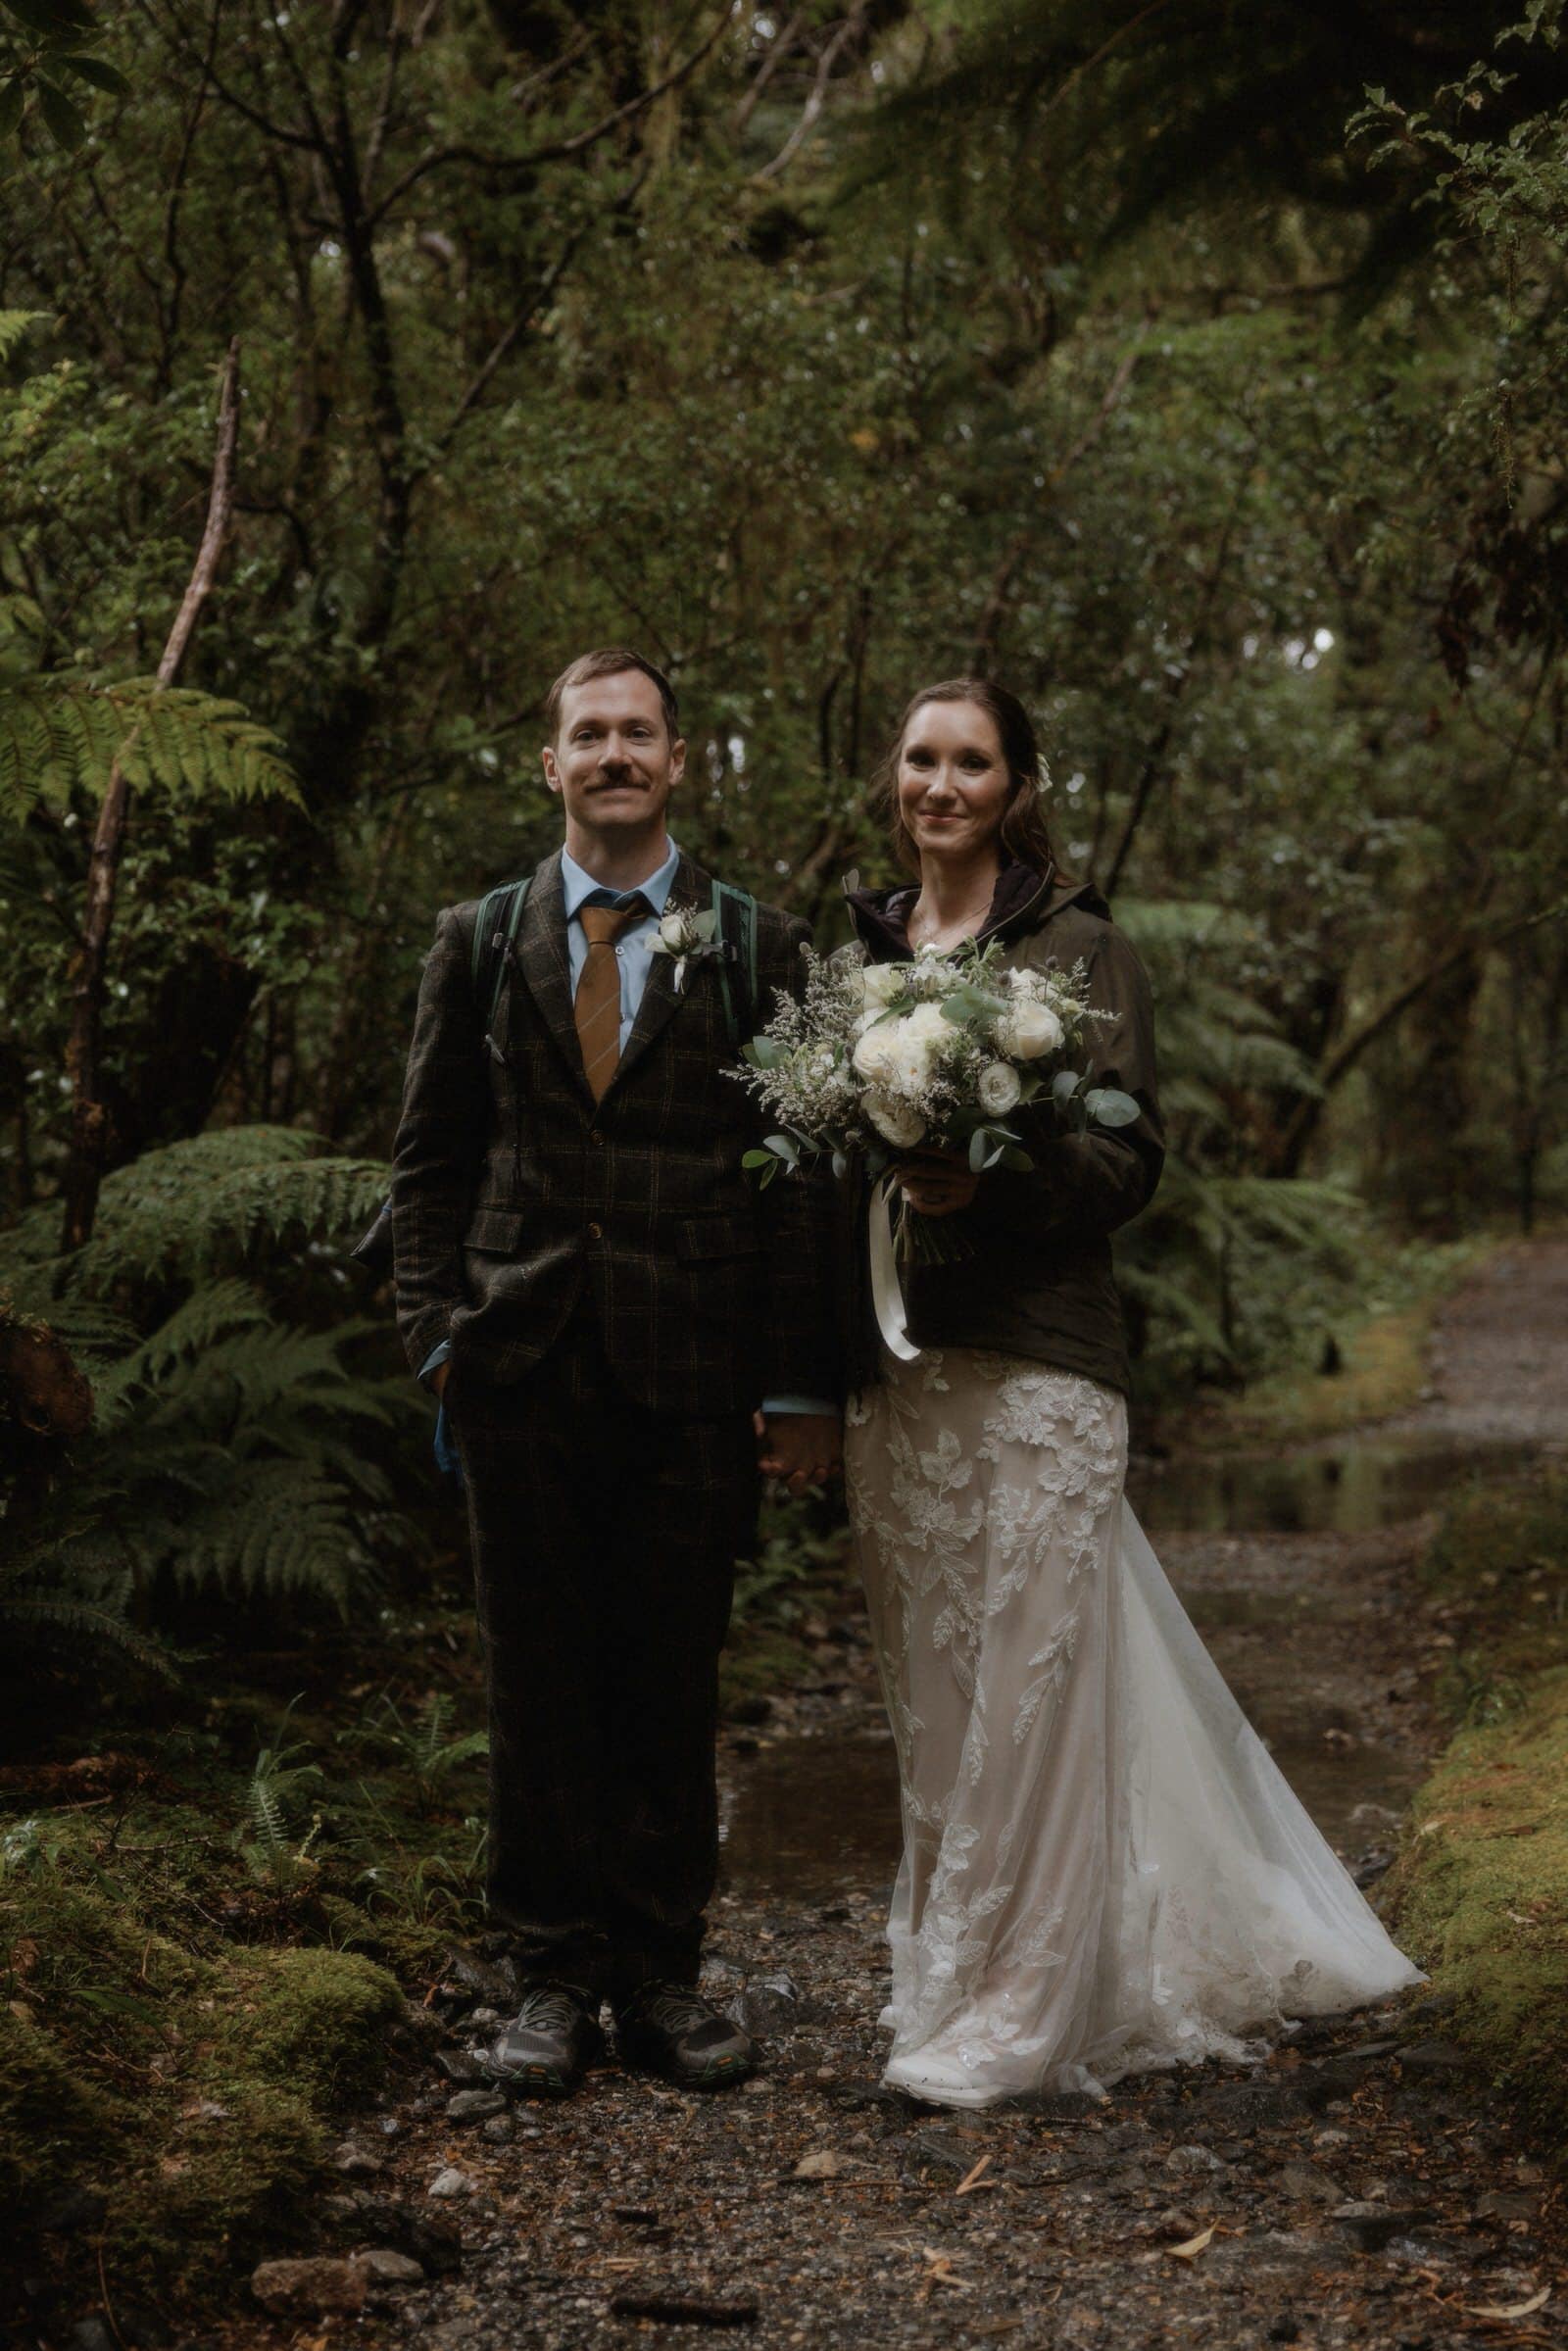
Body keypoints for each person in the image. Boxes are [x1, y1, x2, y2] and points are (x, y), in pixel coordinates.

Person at [840, 676, 1420, 2108]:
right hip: (901, 1375)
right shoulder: (854, 954)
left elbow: (1126, 1166)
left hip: (1045, 1363)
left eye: (972, 761)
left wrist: (994, 1172)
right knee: (938, 1689)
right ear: (892, 777)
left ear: (1018, 783)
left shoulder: (1084, 948)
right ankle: (951, 1977)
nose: (942, 784)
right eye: (921, 758)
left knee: (1036, 1691)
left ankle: (1023, 2012)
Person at [391, 648, 840, 2097]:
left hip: (692, 1371)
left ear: (679, 759)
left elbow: (798, 1182)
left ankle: (658, 1976)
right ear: (551, 765)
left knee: (666, 1674)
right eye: (588, 735)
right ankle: (544, 1976)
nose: (613, 755)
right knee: (536, 1686)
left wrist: (793, 1383)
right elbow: (429, 1163)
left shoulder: (762, 945)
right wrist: (439, 1343)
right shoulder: (480, 934)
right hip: (519, 1364)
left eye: (637, 733)